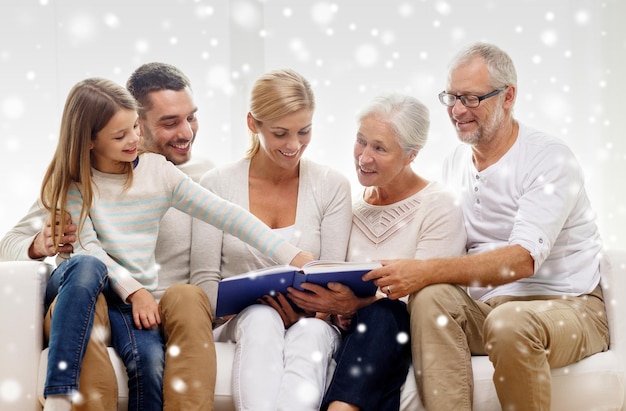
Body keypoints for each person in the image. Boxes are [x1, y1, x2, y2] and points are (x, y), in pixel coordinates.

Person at [31, 76, 313, 411]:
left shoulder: (158, 172)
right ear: (90, 141)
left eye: (135, 127)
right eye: (121, 135)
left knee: (163, 340)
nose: (135, 139)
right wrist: (135, 291)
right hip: (97, 295)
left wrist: (292, 255)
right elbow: (85, 250)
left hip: (140, 303)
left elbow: (226, 214)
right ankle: (68, 395)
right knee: (89, 277)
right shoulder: (72, 183)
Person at [362, 42, 609, 410]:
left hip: (570, 308)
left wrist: (425, 271)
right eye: (451, 97)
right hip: (492, 309)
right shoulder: (455, 163)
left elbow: (522, 260)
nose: (458, 110)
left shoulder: (548, 158)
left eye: (471, 99)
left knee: (508, 322)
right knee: (430, 298)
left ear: (508, 96)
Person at [287, 93, 467, 411]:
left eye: (379, 148)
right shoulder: (349, 208)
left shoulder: (438, 205)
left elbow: (426, 300)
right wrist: (332, 308)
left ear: (411, 155)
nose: (364, 157)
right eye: (361, 142)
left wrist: (357, 304)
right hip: (357, 340)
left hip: (402, 332)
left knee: (384, 313)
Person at [189, 68, 353, 411]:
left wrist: (310, 315)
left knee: (308, 336)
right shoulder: (216, 185)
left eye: (304, 131)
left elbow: (333, 275)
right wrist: (248, 306)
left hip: (313, 321)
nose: (294, 145)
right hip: (238, 322)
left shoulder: (331, 185)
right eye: (280, 133)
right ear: (253, 124)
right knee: (262, 320)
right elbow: (203, 284)